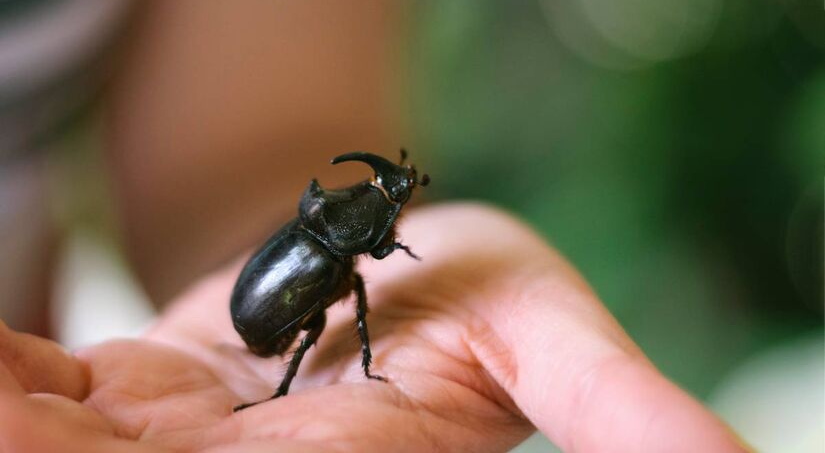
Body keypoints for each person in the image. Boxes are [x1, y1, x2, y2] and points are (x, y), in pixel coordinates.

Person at [0, 203, 749, 452]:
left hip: (244, 303)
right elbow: (365, 266)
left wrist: (460, 254)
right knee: (335, 307)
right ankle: (291, 383)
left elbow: (229, 175)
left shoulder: (338, 239)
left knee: (344, 300)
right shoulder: (341, 259)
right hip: (239, 322)